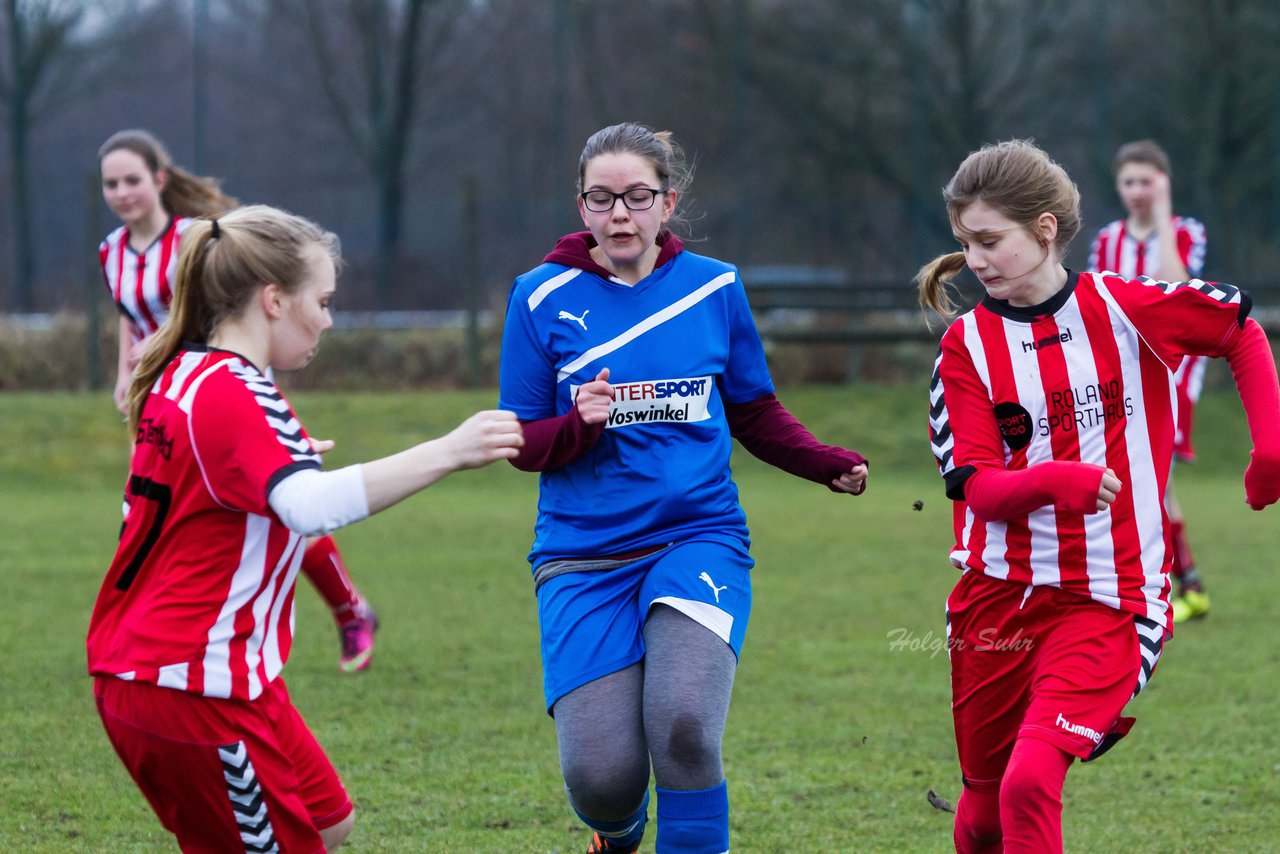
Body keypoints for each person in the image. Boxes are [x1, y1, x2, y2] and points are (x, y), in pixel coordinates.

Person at [87, 205, 523, 852]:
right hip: (190, 685)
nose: (327, 319)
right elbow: (311, 508)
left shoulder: (187, 373)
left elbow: (199, 491)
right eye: (321, 301)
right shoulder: (233, 392)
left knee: (330, 821)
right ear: (273, 300)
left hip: (207, 676)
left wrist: (274, 462)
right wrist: (452, 450)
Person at [498, 122, 869, 854]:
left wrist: (822, 461)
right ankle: (618, 833)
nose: (620, 215)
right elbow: (522, 442)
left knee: (686, 726)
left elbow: (753, 410)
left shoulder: (714, 287)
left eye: (637, 197)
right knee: (601, 779)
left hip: (697, 536)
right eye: (602, 199)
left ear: (667, 203)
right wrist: (576, 425)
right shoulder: (538, 298)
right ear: (582, 208)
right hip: (583, 556)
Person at [918, 139, 1280, 853]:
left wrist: (1270, 449)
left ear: (1045, 229)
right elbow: (981, 490)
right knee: (985, 809)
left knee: (1030, 782)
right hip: (997, 596)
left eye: (990, 241)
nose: (977, 261)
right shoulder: (965, 348)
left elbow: (1238, 329)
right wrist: (1059, 481)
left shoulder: (1122, 306)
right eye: (966, 243)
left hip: (1112, 599)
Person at [99, 129, 381, 672]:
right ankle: (147, 628)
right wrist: (125, 375)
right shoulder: (111, 251)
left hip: (219, 390)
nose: (121, 192)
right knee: (155, 508)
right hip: (165, 392)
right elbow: (128, 318)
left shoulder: (196, 238)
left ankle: (349, 610)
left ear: (158, 180)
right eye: (111, 183)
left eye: (132, 179)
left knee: (286, 500)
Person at [1087, 139, 1211, 622]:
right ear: (1117, 186)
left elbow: (1176, 289)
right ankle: (1187, 585)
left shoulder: (1185, 232)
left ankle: (1161, 585)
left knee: (1153, 479)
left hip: (1173, 373)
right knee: (1151, 481)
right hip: (1121, 373)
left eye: (1147, 181)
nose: (1137, 190)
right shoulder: (1107, 240)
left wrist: (1162, 214)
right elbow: (1100, 305)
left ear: (1163, 183)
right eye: (1129, 181)